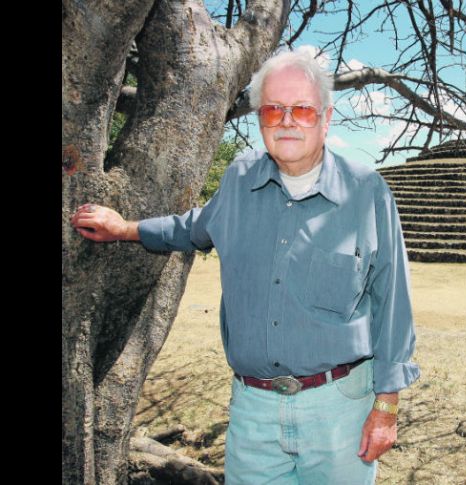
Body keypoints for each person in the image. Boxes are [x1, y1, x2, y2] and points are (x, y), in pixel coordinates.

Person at [70, 48, 420, 485]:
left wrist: (386, 408)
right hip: (253, 411)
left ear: (326, 118)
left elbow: (392, 305)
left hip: (341, 411)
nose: (288, 121)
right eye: (274, 110)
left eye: (303, 110)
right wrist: (125, 229)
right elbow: (193, 226)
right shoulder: (239, 179)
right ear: (260, 120)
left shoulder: (367, 192)